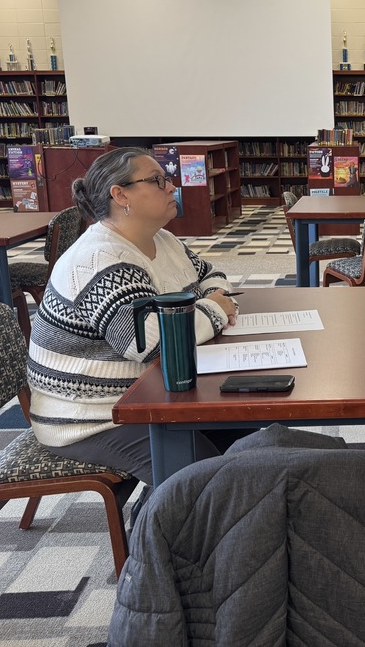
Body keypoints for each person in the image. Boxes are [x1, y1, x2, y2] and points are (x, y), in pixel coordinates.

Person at [27, 147, 254, 492]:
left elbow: (212, 274)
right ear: (120, 195)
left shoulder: (163, 239)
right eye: (158, 180)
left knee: (252, 434)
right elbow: (150, 343)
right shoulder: (99, 259)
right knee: (210, 482)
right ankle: (158, 536)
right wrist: (215, 309)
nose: (171, 186)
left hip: (151, 393)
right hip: (92, 417)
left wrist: (209, 302)